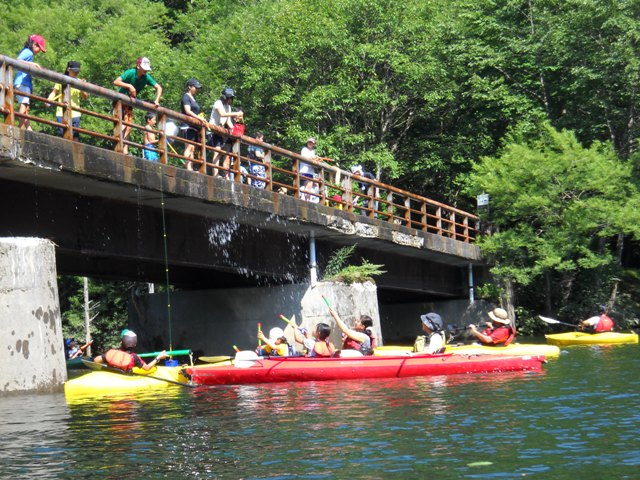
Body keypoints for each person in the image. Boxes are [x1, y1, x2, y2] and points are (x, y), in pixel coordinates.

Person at [113, 57, 163, 155]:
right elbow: (116, 82)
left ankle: (125, 150)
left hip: (130, 103)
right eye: (144, 68)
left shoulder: (146, 77)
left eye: (147, 69)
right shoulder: (130, 72)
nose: (145, 70)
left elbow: (159, 87)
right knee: (122, 124)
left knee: (129, 126)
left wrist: (156, 100)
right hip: (120, 102)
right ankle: (119, 148)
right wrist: (129, 86)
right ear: (138, 66)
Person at [47, 61, 89, 141]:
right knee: (62, 134)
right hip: (61, 112)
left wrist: (81, 86)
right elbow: (54, 93)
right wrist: (48, 101)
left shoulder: (80, 81)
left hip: (75, 113)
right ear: (68, 69)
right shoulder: (61, 80)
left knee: (75, 136)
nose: (76, 73)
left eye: (78, 71)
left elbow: (86, 96)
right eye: (74, 71)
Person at [208, 87, 244, 178]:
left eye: (231, 98)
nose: (230, 99)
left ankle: (222, 175)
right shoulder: (218, 103)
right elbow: (222, 114)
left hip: (221, 131)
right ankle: (215, 174)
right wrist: (236, 113)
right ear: (224, 96)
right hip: (213, 129)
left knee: (220, 153)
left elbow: (228, 121)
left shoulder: (228, 107)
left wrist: (235, 131)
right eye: (228, 97)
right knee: (217, 151)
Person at [94, 329, 167, 372]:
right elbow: (147, 368)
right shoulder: (134, 357)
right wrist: (158, 357)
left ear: (121, 342)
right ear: (135, 345)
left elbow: (96, 360)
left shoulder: (113, 353)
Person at [14, 35, 46, 130]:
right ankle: (20, 127)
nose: (39, 51)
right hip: (23, 82)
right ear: (35, 45)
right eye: (39, 49)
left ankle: (28, 127)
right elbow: (17, 61)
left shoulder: (27, 52)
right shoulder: (28, 52)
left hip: (24, 82)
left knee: (26, 106)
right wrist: (32, 64)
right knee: (24, 105)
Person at [179, 78, 207, 171]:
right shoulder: (186, 97)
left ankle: (190, 168)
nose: (197, 89)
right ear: (189, 87)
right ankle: (187, 167)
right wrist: (199, 118)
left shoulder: (193, 98)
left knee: (193, 148)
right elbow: (187, 111)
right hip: (187, 125)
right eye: (195, 87)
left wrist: (200, 118)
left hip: (193, 126)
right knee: (189, 147)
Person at [299, 137, 319, 201]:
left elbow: (313, 159)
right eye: (309, 142)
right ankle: (305, 199)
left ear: (313, 144)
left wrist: (316, 159)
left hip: (310, 171)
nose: (310, 144)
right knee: (307, 186)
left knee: (309, 186)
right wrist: (313, 159)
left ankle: (307, 199)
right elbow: (304, 157)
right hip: (305, 170)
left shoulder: (313, 151)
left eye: (312, 143)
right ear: (307, 143)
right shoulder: (304, 149)